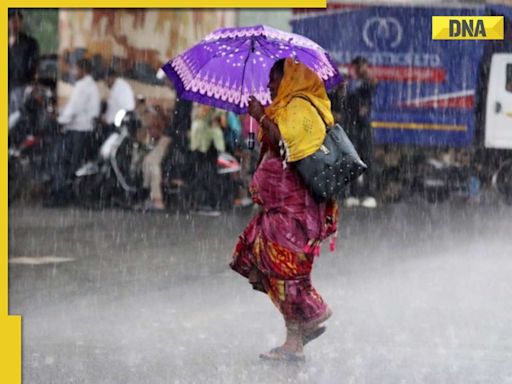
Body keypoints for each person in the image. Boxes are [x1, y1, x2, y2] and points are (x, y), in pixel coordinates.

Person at [230, 58, 339, 362]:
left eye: (273, 80)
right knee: (262, 262)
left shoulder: (300, 108)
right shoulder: (286, 107)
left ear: (289, 78)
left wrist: (261, 117)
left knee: (286, 274)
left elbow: (288, 148)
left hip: (295, 211)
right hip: (279, 210)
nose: (269, 86)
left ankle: (311, 315)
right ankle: (297, 337)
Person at [51, 58, 100, 200]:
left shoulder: (84, 86)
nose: (73, 72)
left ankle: (64, 194)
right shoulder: (88, 85)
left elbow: (74, 109)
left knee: (70, 163)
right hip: (82, 128)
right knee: (74, 162)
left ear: (83, 70)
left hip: (79, 129)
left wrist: (60, 121)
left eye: (76, 69)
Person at [343, 56, 378, 209]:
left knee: (367, 159)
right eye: (358, 66)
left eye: (363, 65)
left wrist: (367, 75)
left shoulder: (367, 83)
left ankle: (369, 194)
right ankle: (353, 194)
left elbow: (373, 84)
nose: (361, 68)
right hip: (352, 126)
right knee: (352, 160)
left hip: (364, 126)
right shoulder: (351, 84)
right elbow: (345, 97)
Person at [189, 105, 226, 216]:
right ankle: (201, 202)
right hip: (200, 141)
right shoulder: (200, 100)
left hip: (213, 142)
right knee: (201, 172)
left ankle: (210, 202)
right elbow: (199, 114)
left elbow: (224, 123)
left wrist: (217, 119)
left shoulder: (220, 105)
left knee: (211, 173)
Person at [8, 9, 39, 115]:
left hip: (20, 86)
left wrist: (32, 85)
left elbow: (35, 66)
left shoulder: (30, 42)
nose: (13, 24)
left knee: (16, 118)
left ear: (21, 22)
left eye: (16, 21)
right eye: (10, 21)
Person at [141, 106, 171, 211]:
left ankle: (157, 199)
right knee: (147, 161)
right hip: (162, 142)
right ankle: (150, 196)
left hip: (164, 142)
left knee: (151, 162)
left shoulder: (164, 137)